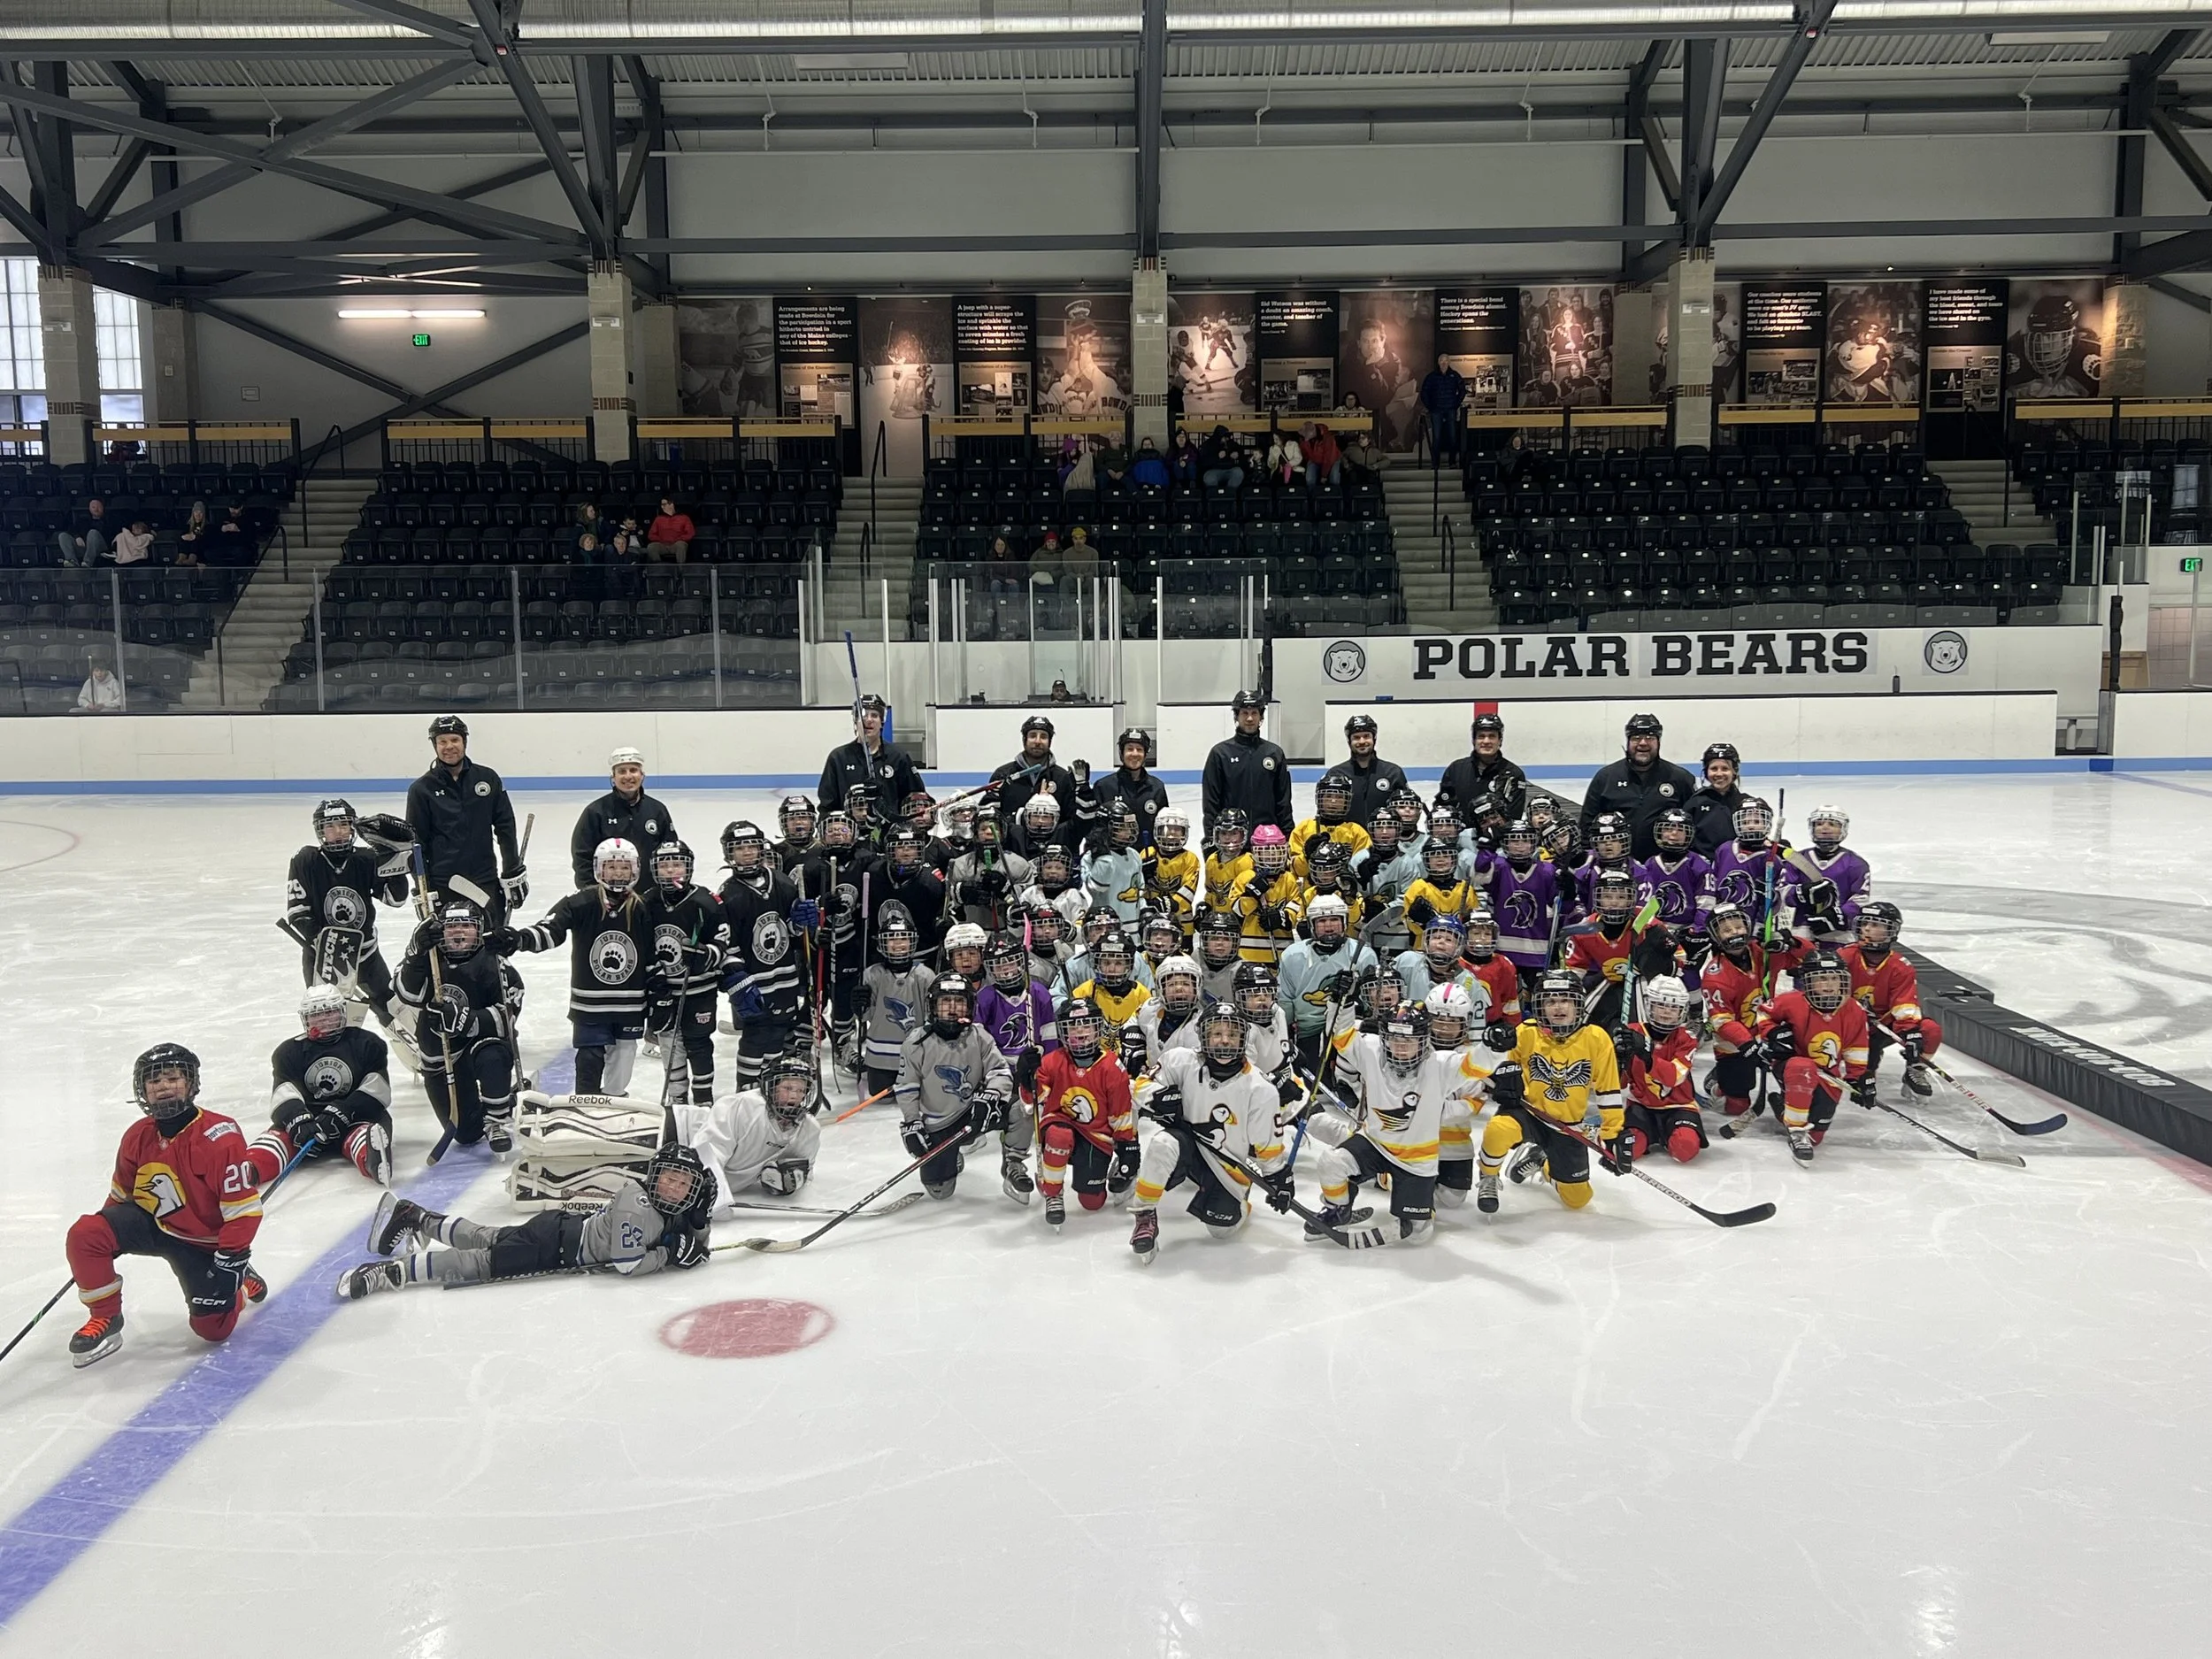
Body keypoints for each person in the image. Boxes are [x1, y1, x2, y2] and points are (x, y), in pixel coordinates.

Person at [62, 1045, 266, 1367]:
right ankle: (106, 1318)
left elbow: (243, 1211)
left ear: (191, 1084)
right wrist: (99, 1249)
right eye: (154, 1081)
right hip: (155, 1224)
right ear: (143, 1091)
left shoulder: (220, 1137)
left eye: (173, 1078)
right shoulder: (137, 1135)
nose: (164, 1086)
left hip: (204, 1243)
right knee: (86, 1234)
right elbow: (121, 1198)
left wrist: (231, 1259)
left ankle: (239, 1287)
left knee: (211, 1330)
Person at [338, 1144, 715, 1298]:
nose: (675, 1187)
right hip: (554, 1246)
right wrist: (668, 1255)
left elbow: (691, 1243)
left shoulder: (672, 1207)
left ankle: (416, 1217)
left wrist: (700, 1222)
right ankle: (387, 1273)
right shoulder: (637, 1203)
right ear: (655, 1174)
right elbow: (628, 1264)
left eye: (684, 1183)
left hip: (558, 1231)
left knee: (486, 1237)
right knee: (480, 1263)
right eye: (669, 1176)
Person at [1125, 1004, 1288, 1264]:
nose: (1224, 1040)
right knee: (1163, 1143)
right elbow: (1141, 1084)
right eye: (1217, 1033)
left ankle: (1240, 1204)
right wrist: (1156, 1097)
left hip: (1224, 1165)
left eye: (1232, 1034)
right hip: (1187, 1145)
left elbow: (1267, 1143)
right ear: (1203, 1037)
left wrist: (1277, 1176)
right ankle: (1144, 1214)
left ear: (1243, 1039)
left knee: (1221, 1230)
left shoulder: (1261, 1088)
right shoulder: (1181, 1060)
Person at [1312, 1005, 1488, 1240]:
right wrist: (1340, 1004)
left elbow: (1477, 1065)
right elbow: (1342, 1036)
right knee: (1331, 1162)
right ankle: (1338, 1211)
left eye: (1409, 1039)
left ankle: (1411, 1204)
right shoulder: (1372, 1051)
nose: (1401, 1046)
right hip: (1375, 1144)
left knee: (1418, 1235)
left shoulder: (1440, 1065)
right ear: (1384, 1037)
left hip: (1416, 1161)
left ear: (1423, 1040)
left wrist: (1495, 1048)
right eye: (1394, 1038)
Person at [501, 839, 656, 1099]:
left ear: (635, 870)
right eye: (611, 867)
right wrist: (518, 939)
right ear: (598, 869)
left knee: (623, 1061)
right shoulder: (581, 902)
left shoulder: (642, 908)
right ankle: (585, 1107)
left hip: (630, 1005)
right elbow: (550, 931)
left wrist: (658, 991)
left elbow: (651, 953)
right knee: (589, 1059)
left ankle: (614, 1107)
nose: (618, 873)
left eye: (624, 867)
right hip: (589, 1005)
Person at [1474, 972, 1626, 1215]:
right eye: (1550, 1001)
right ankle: (1488, 1177)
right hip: (1528, 1113)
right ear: (1540, 1006)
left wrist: (1612, 1134)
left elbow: (1607, 1090)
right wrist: (1503, 1083)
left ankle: (1541, 1162)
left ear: (1578, 1004)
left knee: (1578, 1200)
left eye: (1565, 1000)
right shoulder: (1526, 1032)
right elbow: (1502, 1071)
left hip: (1566, 1125)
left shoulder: (1596, 1039)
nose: (1558, 1007)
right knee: (1498, 1129)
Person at [397, 899, 522, 1152]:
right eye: (451, 926)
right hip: (440, 1055)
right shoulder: (430, 957)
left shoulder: (494, 963)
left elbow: (507, 1018)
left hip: (480, 1046)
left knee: (494, 1053)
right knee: (466, 1134)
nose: (459, 931)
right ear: (440, 931)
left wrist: (464, 1020)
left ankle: (497, 1120)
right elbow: (407, 995)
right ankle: (508, 1099)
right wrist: (415, 953)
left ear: (479, 929)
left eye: (466, 925)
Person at [245, 985, 395, 1188]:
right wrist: (298, 1121)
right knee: (278, 1139)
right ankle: (249, 1169)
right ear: (306, 1019)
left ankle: (370, 1159)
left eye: (329, 1013)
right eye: (316, 1015)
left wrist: (344, 1111)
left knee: (366, 1133)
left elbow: (378, 1090)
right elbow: (284, 1092)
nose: (323, 1020)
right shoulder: (289, 1051)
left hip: (354, 1119)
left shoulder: (366, 1043)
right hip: (308, 1125)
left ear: (342, 1012)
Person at [284, 796, 411, 1029]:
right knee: (327, 1017)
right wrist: (324, 941)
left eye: (343, 825)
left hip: (365, 953)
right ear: (320, 831)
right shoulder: (306, 860)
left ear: (352, 828)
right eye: (330, 826)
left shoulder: (367, 858)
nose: (338, 832)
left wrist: (395, 862)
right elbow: (298, 912)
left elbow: (396, 898)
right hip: (323, 956)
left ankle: (417, 1052)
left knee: (391, 1009)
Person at [895, 973, 1023, 1202]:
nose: (953, 1009)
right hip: (938, 1124)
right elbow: (907, 1087)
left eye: (959, 1002)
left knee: (1019, 1109)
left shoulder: (979, 1036)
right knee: (940, 1192)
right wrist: (912, 1122)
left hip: (973, 1114)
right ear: (933, 1006)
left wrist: (992, 1096)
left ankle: (1014, 1163)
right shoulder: (916, 1042)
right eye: (946, 1002)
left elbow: (1000, 1072)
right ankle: (949, 1156)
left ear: (970, 1006)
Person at [713, 820, 811, 1091]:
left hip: (785, 977)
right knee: (755, 1036)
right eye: (740, 847)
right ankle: (746, 1088)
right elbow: (727, 944)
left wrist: (802, 921)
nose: (747, 852)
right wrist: (739, 982)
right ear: (729, 854)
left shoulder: (781, 882)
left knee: (780, 1032)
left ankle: (772, 1085)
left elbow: (791, 931)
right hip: (754, 982)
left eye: (752, 846)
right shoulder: (728, 893)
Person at [405, 714, 526, 925]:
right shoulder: (421, 790)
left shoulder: (487, 779)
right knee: (449, 947)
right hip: (444, 885)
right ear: (435, 746)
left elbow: (506, 827)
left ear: (464, 742)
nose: (449, 746)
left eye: (454, 740)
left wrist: (512, 871)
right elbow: (416, 843)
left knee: (491, 944)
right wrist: (422, 887)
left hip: (484, 880)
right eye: (442, 741)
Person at [1752, 951, 1870, 1164]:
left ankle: (1782, 1108)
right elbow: (1763, 1014)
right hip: (1791, 1065)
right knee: (1802, 1066)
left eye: (1834, 978)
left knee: (1816, 1136)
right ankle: (1797, 1132)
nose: (1829, 984)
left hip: (1828, 1075)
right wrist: (1772, 1033)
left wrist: (1857, 1079)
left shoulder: (1854, 1009)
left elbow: (1856, 1047)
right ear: (1807, 981)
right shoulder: (1790, 1002)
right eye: (1822, 978)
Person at [1029, 996, 1137, 1229]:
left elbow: (1120, 1113)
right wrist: (1026, 1077)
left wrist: (1127, 1147)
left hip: (1096, 1135)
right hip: (1061, 1124)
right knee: (1059, 1135)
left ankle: (1104, 1173)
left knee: (1092, 1202)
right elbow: (1033, 1101)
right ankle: (1053, 1193)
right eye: (1073, 1026)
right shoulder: (1052, 1061)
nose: (1080, 1032)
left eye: (1086, 1025)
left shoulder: (1111, 1066)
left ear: (1098, 1028)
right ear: (1063, 1032)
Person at [640, 839, 729, 1110]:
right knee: (669, 1043)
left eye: (677, 864)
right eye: (664, 865)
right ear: (655, 869)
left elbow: (723, 943)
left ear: (688, 868)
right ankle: (677, 1097)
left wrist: (705, 955)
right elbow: (641, 946)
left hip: (700, 990)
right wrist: (654, 979)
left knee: (699, 1043)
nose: (671, 871)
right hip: (665, 991)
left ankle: (703, 1098)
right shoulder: (646, 903)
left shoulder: (707, 901)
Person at [1842, 902, 1944, 1103]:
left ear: (1891, 930)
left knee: (1929, 1030)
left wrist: (1910, 1032)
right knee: (1863, 1077)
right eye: (1865, 924)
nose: (1868, 929)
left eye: (1876, 924)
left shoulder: (1900, 966)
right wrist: (1854, 1012)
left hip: (1884, 1026)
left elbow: (1904, 1003)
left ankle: (1915, 1070)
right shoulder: (1845, 957)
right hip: (1852, 1027)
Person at [1578, 712, 1700, 859]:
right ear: (1628, 742)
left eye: (1650, 738)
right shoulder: (1605, 778)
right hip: (1616, 866)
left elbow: (1694, 825)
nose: (1643, 743)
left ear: (1658, 742)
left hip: (1665, 868)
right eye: (1636, 738)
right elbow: (1587, 826)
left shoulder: (1680, 778)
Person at [570, 745, 678, 888]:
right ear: (613, 778)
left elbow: (670, 851)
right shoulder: (595, 812)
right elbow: (582, 857)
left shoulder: (657, 810)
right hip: (610, 894)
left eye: (633, 770)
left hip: (650, 894)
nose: (628, 776)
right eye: (622, 771)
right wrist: (591, 892)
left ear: (642, 775)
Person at [1202, 688, 1292, 839]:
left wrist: (1288, 835)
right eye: (1244, 713)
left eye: (1254, 713)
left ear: (1261, 716)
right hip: (1231, 839)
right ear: (1236, 716)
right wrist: (1211, 839)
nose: (1250, 718)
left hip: (1268, 839)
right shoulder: (1220, 754)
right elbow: (1211, 804)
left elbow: (1283, 802)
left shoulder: (1274, 753)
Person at [818, 693, 920, 817]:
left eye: (875, 715)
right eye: (863, 715)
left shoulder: (898, 756)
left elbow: (915, 797)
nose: (869, 720)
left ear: (882, 722)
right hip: (849, 832)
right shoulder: (838, 758)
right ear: (855, 721)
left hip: (889, 830)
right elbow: (827, 804)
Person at [991, 712, 1079, 827]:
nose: (1037, 741)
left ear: (1050, 742)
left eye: (1043, 737)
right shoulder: (1003, 775)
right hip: (1012, 844)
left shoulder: (1063, 777)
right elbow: (993, 819)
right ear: (1024, 740)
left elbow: (1070, 822)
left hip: (1051, 844)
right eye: (1033, 736)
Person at [1437, 711, 1528, 822]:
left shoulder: (1514, 774)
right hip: (1462, 836)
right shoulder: (1456, 769)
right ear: (1473, 741)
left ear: (1500, 741)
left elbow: (1513, 816)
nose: (1486, 741)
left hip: (1498, 837)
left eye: (1492, 736)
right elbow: (1444, 807)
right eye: (1481, 736)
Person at [1682, 741, 1747, 856]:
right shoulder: (1695, 803)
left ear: (1734, 771)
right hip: (1703, 868)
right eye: (1714, 769)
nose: (1719, 774)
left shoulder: (1745, 803)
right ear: (1706, 772)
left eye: (1725, 769)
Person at [1419, 353, 1467, 463]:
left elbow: (1462, 390)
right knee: (1436, 438)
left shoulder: (1455, 375)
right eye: (1442, 361)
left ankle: (1452, 462)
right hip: (1436, 410)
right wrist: (1430, 406)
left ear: (1449, 363)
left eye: (1446, 361)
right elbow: (1424, 392)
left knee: (1453, 437)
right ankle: (1435, 463)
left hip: (1451, 410)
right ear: (1438, 362)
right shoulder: (1432, 377)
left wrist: (1456, 403)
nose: (1444, 363)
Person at [56, 497, 110, 566]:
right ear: (89, 509)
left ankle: (88, 562)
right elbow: (71, 530)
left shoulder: (108, 521)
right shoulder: (83, 520)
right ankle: (72, 561)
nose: (96, 509)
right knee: (63, 535)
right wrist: (77, 537)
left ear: (103, 508)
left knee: (92, 533)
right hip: (84, 547)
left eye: (98, 506)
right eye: (93, 507)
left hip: (101, 548)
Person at [645, 496, 695, 564]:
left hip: (677, 544)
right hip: (662, 544)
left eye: (664, 504)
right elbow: (651, 535)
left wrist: (679, 539)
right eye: (661, 505)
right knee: (651, 547)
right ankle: (659, 568)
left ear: (671, 504)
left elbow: (690, 533)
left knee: (681, 545)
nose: (662, 507)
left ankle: (681, 569)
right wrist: (661, 540)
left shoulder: (684, 518)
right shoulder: (658, 519)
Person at [1200, 426, 1246, 492]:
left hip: (1230, 469)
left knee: (1238, 473)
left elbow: (1241, 454)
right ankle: (1215, 496)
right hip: (1214, 470)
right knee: (1209, 478)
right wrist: (1217, 457)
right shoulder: (1208, 444)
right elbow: (1203, 462)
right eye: (1224, 437)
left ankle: (1230, 494)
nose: (1226, 439)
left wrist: (1237, 454)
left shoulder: (1231, 443)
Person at [1301, 421, 1342, 488]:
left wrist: (1324, 475)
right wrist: (1304, 467)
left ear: (1313, 434)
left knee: (1334, 480)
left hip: (1332, 461)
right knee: (1309, 479)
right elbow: (1304, 453)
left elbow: (1329, 459)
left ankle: (1334, 496)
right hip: (1314, 460)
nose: (1305, 438)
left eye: (1307, 436)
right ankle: (1312, 497)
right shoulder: (1304, 440)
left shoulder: (1328, 439)